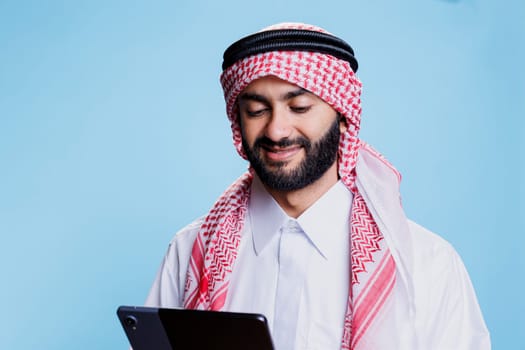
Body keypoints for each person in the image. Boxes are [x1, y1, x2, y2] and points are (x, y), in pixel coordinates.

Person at [145, 22, 490, 349]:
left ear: (342, 116)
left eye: (300, 107)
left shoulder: (426, 264)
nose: (277, 130)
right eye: (256, 111)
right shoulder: (192, 251)